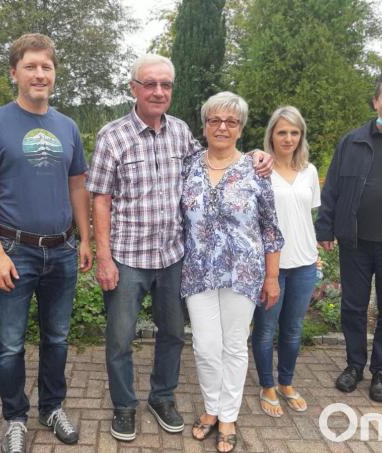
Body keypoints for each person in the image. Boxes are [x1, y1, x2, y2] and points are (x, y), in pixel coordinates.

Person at [86, 55, 273, 442]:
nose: (158, 91)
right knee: (120, 339)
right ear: (134, 87)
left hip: (174, 258)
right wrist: (103, 256)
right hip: (128, 258)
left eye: (166, 85)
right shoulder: (112, 136)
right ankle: (124, 407)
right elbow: (100, 198)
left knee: (172, 334)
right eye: (150, 83)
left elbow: (218, 156)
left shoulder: (181, 132)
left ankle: (162, 397)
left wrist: (257, 154)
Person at [0, 33, 92, 453]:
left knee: (57, 339)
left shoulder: (67, 127)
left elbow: (78, 188)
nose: (40, 74)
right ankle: (16, 418)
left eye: (47, 67)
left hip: (61, 250)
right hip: (14, 252)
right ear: (14, 72)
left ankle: (51, 408)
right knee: (10, 344)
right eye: (31, 66)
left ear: (55, 74)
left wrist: (85, 239)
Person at [181, 92, 283, 453]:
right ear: (204, 125)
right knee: (206, 346)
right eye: (215, 120)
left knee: (234, 345)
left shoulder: (255, 169)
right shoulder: (189, 164)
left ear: (241, 128)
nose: (222, 127)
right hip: (197, 273)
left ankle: (227, 414)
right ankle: (210, 408)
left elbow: (271, 229)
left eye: (231, 121)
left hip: (243, 273)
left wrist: (271, 278)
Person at [315, 70, 382, 403]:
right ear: (375, 101)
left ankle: (381, 372)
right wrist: (325, 227)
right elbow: (332, 186)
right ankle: (354, 365)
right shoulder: (353, 141)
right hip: (355, 243)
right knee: (353, 307)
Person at [251, 106, 320, 418]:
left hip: (305, 263)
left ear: (301, 135)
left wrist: (317, 257)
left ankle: (286, 383)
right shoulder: (259, 170)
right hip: (270, 266)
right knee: (265, 330)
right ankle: (267, 385)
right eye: (282, 132)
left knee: (293, 329)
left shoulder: (310, 171)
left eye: (294, 132)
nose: (288, 138)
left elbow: (308, 216)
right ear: (271, 135)